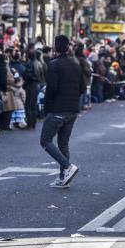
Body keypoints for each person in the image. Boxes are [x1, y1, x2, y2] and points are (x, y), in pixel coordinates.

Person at [40, 35, 83, 188]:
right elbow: (83, 88)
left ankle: (67, 166)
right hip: (72, 109)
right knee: (63, 143)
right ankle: (63, 178)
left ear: (55, 48)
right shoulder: (76, 65)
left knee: (45, 140)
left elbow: (51, 89)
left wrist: (47, 108)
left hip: (58, 109)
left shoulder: (54, 65)